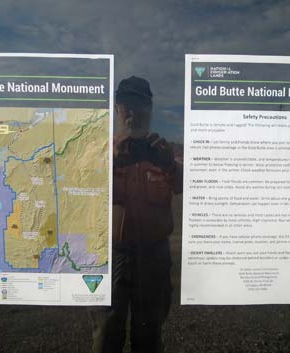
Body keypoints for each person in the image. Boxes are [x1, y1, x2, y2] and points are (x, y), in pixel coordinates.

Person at [89, 76, 183, 353]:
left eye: (141, 105)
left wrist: (169, 165)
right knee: (106, 335)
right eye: (127, 105)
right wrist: (111, 162)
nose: (133, 112)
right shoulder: (99, 151)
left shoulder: (167, 150)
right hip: (109, 253)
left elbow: (190, 184)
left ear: (150, 110)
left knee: (149, 335)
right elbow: (77, 185)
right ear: (117, 109)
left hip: (154, 256)